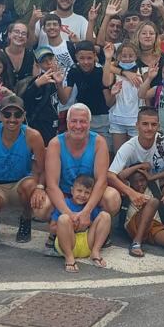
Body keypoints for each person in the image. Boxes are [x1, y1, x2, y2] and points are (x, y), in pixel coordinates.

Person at [107, 108, 164, 257]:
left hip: (156, 207)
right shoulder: (129, 147)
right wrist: (131, 192)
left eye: (153, 125)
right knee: (152, 203)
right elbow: (111, 175)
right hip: (135, 216)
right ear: (137, 125)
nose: (149, 128)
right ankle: (137, 241)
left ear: (159, 126)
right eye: (145, 124)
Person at [45, 104, 122, 265]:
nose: (78, 126)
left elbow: (101, 181)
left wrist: (86, 212)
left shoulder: (99, 142)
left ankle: (97, 230)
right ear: (67, 123)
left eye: (83, 121)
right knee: (42, 204)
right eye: (74, 121)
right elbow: (52, 185)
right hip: (66, 193)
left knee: (112, 197)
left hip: (89, 193)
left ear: (89, 123)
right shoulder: (55, 143)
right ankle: (56, 232)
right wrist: (69, 214)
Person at [0, 94, 51, 244]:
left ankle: (26, 218)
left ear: (24, 116)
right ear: (0, 115)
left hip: (21, 182)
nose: (12, 119)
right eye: (7, 114)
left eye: (18, 114)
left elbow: (43, 166)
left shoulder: (33, 136)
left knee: (30, 185)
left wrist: (40, 187)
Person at [52, 174, 112, 272]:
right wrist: (70, 225)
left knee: (105, 216)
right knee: (63, 218)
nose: (82, 195)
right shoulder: (65, 204)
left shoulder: (90, 206)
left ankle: (95, 252)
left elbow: (97, 227)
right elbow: (52, 227)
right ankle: (69, 257)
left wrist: (88, 224)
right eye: (79, 191)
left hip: (87, 244)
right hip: (68, 245)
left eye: (87, 192)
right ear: (72, 190)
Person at [61, 40, 111, 144]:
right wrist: (58, 84)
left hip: (102, 120)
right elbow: (64, 99)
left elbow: (108, 101)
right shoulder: (74, 71)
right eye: (82, 58)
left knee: (104, 151)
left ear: (94, 56)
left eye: (89, 58)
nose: (86, 62)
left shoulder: (100, 71)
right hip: (81, 119)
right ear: (76, 57)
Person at [104, 41, 146, 153]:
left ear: (136, 56)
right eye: (124, 56)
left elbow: (147, 96)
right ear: (118, 57)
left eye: (131, 56)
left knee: (136, 155)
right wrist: (108, 59)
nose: (127, 59)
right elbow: (106, 82)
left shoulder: (142, 71)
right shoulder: (114, 72)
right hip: (117, 121)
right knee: (120, 155)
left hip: (136, 121)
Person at [21, 46, 63, 143]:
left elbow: (63, 100)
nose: (49, 63)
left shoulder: (57, 76)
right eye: (44, 61)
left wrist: (59, 84)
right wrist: (37, 84)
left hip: (54, 124)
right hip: (39, 126)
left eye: (50, 59)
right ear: (38, 64)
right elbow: (24, 101)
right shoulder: (36, 81)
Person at [4, 21, 37, 87]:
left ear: (27, 38)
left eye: (24, 33)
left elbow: (35, 80)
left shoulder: (31, 55)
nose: (20, 35)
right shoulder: (0, 55)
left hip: (26, 95)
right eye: (16, 32)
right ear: (9, 34)